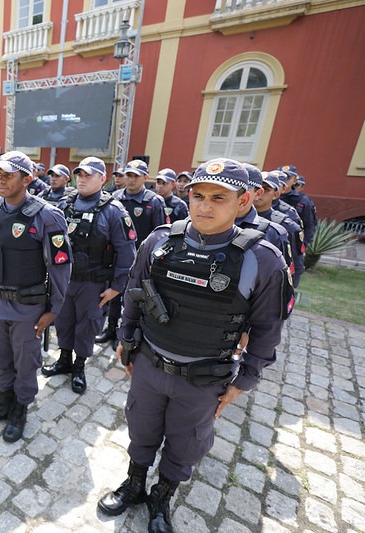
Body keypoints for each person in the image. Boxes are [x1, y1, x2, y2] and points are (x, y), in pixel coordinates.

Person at [97, 158, 293, 533]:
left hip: (203, 377)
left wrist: (245, 380)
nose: (204, 205)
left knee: (186, 442)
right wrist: (126, 339)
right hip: (151, 365)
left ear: (243, 200)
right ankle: (135, 483)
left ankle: (162, 495)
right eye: (198, 195)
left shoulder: (262, 259)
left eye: (218, 197)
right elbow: (135, 295)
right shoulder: (160, 241)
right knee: (141, 428)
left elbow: (268, 329)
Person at [0, 151, 72, 443]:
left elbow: (60, 266)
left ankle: (20, 406)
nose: (0, 180)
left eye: (8, 175)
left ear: (27, 179)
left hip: (27, 306)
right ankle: (5, 398)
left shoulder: (47, 216)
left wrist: (54, 309)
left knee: (26, 360)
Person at [42, 157, 136, 393]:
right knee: (63, 321)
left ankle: (78, 366)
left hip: (93, 283)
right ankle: (64, 359)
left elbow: (127, 252)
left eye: (88, 175)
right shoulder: (65, 204)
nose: (82, 179)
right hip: (65, 280)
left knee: (87, 326)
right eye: (79, 175)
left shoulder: (113, 211)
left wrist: (117, 287)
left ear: (102, 179)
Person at [98, 159, 166, 345]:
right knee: (115, 293)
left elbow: (160, 234)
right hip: (117, 257)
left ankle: (128, 332)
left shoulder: (154, 201)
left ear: (145, 177)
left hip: (142, 260)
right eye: (128, 175)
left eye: (136, 176)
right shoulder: (115, 197)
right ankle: (111, 330)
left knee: (135, 297)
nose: (131, 180)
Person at [255, 172, 305, 287]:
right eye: (256, 188)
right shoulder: (232, 218)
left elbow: (295, 262)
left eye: (266, 189)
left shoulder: (286, 225)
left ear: (276, 194)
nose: (259, 192)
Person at [279, 164, 317, 247]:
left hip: (292, 243)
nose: (283, 181)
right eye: (281, 177)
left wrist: (303, 245)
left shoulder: (303, 200)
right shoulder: (268, 195)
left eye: (287, 178)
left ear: (295, 180)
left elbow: (309, 225)